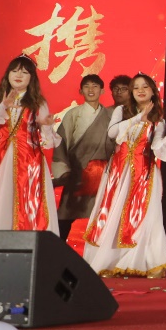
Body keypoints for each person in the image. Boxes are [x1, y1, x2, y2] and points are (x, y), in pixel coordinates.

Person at [83, 73, 166, 278]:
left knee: (147, 217)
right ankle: (110, 262)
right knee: (113, 213)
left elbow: (157, 148)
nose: (140, 90)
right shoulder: (122, 111)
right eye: (136, 87)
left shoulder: (158, 120)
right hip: (119, 172)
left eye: (145, 86)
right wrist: (138, 118)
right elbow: (112, 133)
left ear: (153, 92)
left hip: (144, 173)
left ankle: (149, 263)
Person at [0, 55, 61, 234]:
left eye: (24, 72)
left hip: (29, 159)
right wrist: (2, 106)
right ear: (8, 74)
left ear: (32, 77)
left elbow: (48, 142)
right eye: (14, 71)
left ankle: (25, 236)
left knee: (25, 197)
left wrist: (46, 126)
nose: (18, 75)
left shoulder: (38, 102)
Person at [53, 74, 116, 242]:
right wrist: (64, 171)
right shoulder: (73, 114)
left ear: (102, 91)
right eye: (87, 86)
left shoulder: (110, 115)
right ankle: (56, 249)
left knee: (104, 214)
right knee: (66, 214)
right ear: (81, 91)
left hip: (103, 173)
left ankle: (101, 252)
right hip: (77, 172)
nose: (91, 90)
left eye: (95, 86)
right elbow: (61, 142)